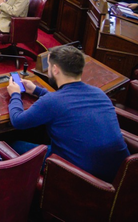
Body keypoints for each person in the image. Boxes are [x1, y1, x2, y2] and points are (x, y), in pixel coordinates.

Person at [7, 46, 129, 183]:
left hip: (82, 177)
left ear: (55, 69)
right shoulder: (99, 93)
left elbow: (17, 121)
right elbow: (67, 102)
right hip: (119, 174)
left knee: (15, 145)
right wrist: (37, 91)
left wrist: (15, 94)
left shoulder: (52, 102)